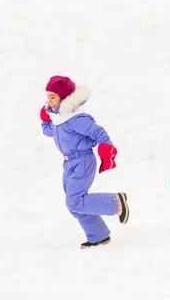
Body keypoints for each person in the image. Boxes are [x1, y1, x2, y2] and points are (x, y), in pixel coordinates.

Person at [40, 75, 129, 249]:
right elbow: (50, 131)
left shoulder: (77, 118)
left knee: (74, 201)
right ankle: (99, 235)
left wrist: (106, 149)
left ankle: (116, 202)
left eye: (53, 97)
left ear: (64, 97)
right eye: (47, 97)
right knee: (74, 204)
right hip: (68, 164)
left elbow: (98, 132)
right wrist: (45, 119)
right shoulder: (60, 118)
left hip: (83, 161)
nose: (49, 101)